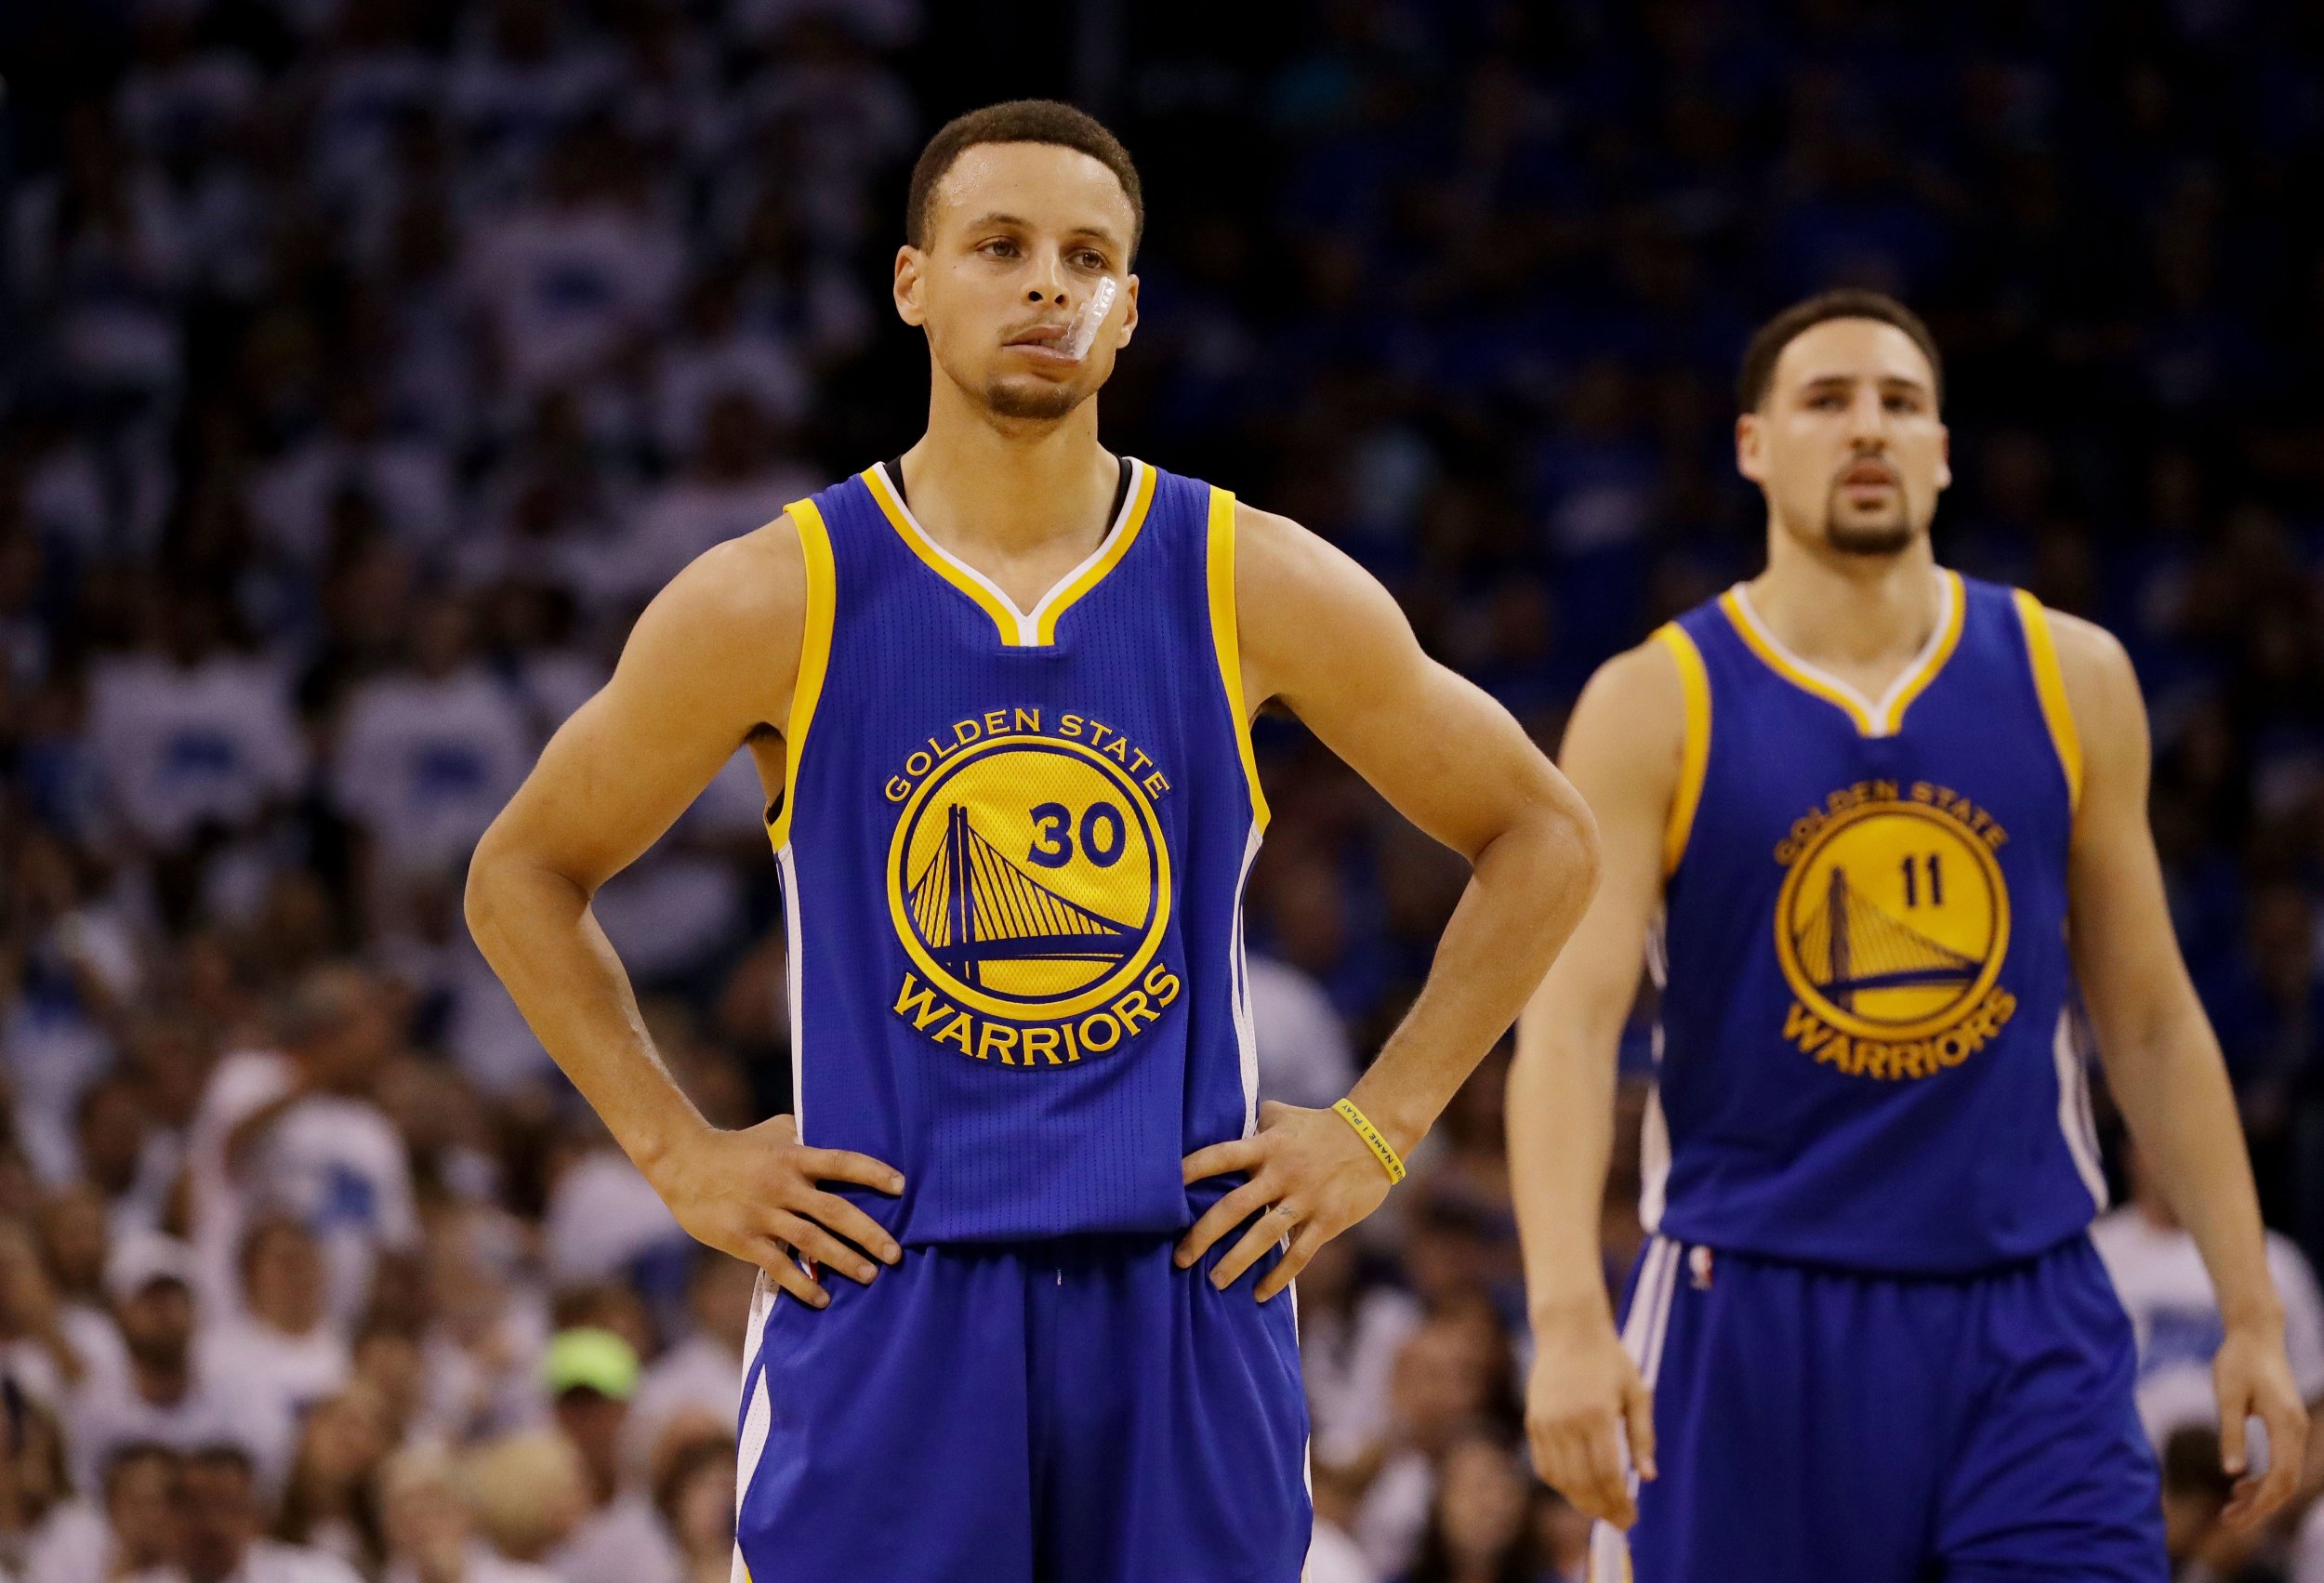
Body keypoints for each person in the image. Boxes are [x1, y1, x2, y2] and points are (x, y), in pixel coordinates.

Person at [465, 98, 1599, 1580]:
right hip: (890, 1286)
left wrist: (1376, 1134)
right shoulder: (774, 596)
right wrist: (679, 1157)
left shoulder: (1246, 577)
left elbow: (1544, 836)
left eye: (1089, 257)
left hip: (1185, 1285)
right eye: (1000, 246)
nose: (1048, 285)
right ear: (913, 283)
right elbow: (521, 876)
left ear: (1129, 310)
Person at [1507, 288, 2308, 1582]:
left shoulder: (2073, 676)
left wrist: (2254, 1314)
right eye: (1826, 402)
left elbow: (2151, 1018)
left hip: (2029, 1310)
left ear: (1943, 450)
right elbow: (1569, 1032)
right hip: (1753, 1306)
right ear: (1754, 445)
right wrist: (1568, 1318)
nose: (1867, 428)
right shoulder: (1656, 698)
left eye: (1901, 404)